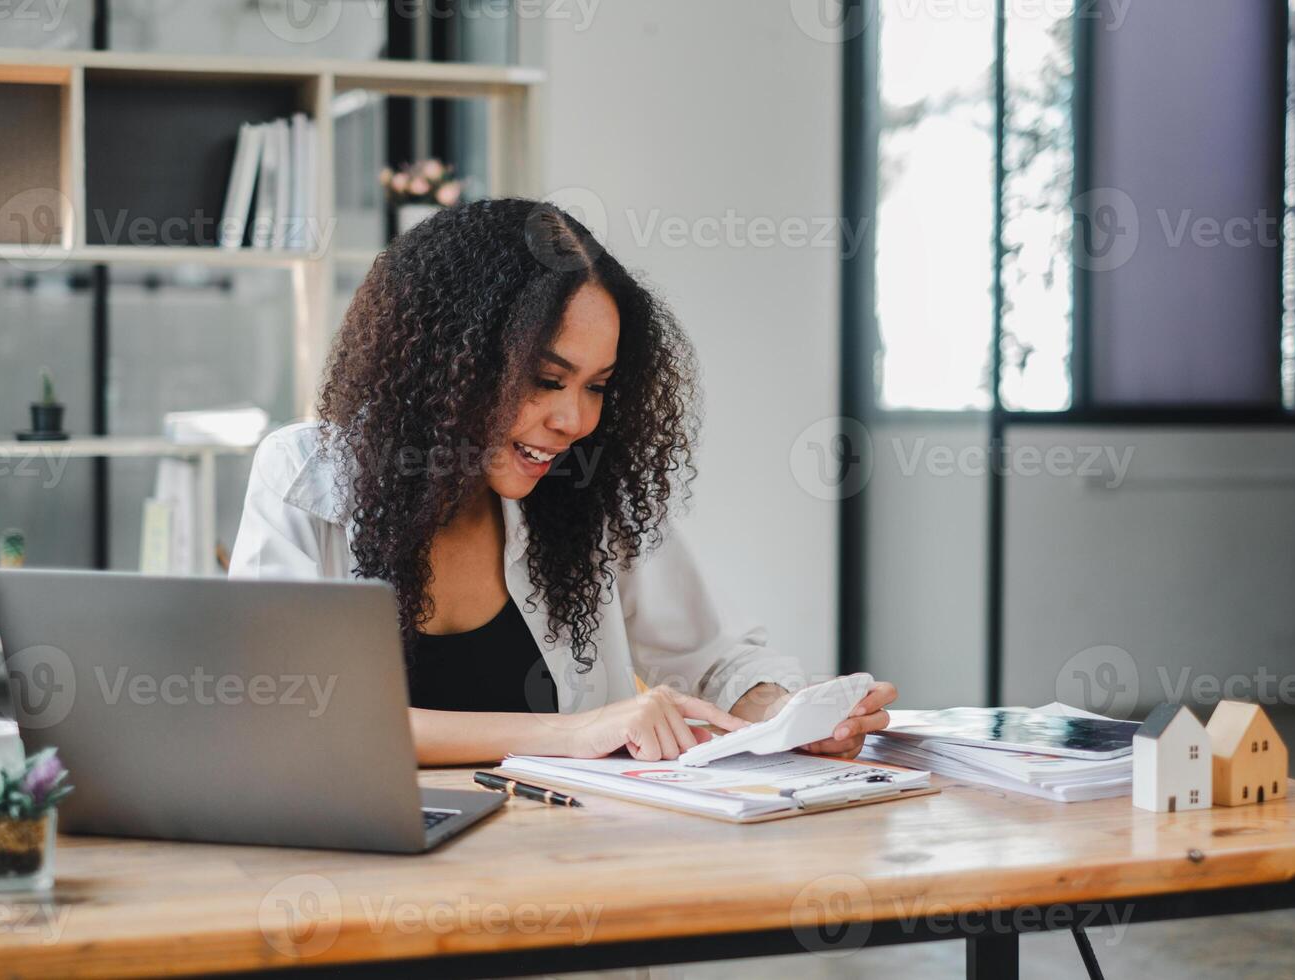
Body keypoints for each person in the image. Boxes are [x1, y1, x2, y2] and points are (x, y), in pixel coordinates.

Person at [229, 198, 896, 764]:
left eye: (597, 386)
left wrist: (786, 717)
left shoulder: (583, 488)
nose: (574, 419)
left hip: (568, 869)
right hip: (373, 880)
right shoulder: (306, 476)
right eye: (545, 381)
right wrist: (572, 733)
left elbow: (715, 659)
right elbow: (286, 713)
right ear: (448, 366)